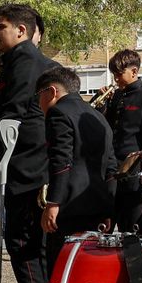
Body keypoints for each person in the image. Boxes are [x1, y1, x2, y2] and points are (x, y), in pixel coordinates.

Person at [0, 4, 59, 283]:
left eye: (1, 27)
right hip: (28, 162)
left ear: (21, 31)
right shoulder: (17, 61)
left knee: (23, 241)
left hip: (27, 164)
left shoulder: (24, 61)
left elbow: (16, 113)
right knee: (27, 241)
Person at [36, 66, 116, 269]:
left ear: (52, 91)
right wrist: (108, 210)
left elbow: (61, 161)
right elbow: (111, 167)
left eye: (39, 95)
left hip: (69, 208)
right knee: (87, 269)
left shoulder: (58, 113)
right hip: (97, 206)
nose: (39, 103)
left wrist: (53, 203)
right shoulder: (98, 117)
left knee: (61, 269)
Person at [104, 48, 142, 230]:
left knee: (131, 229)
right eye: (114, 75)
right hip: (112, 171)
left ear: (134, 71)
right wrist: (103, 105)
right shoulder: (116, 96)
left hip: (134, 174)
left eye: (119, 74)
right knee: (105, 228)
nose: (116, 79)